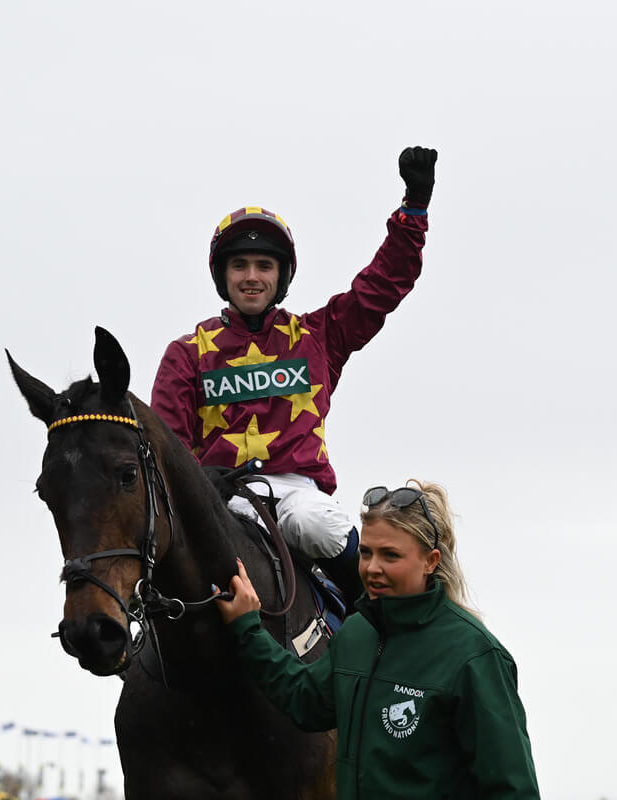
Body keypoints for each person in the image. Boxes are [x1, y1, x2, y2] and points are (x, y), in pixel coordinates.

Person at [151, 147, 438, 607]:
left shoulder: (317, 336)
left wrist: (414, 209)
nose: (251, 277)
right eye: (239, 266)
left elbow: (382, 286)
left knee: (313, 524)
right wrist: (202, 482)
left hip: (300, 495)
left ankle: (380, 622)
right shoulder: (186, 354)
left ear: (281, 276)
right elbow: (169, 448)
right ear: (223, 275)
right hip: (221, 499)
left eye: (264, 266)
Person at [215, 480, 540, 800]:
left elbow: (513, 789)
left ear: (431, 561)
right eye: (366, 553)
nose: (372, 568)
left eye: (390, 556)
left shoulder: (475, 655)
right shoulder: (357, 633)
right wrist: (248, 628)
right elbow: (305, 700)